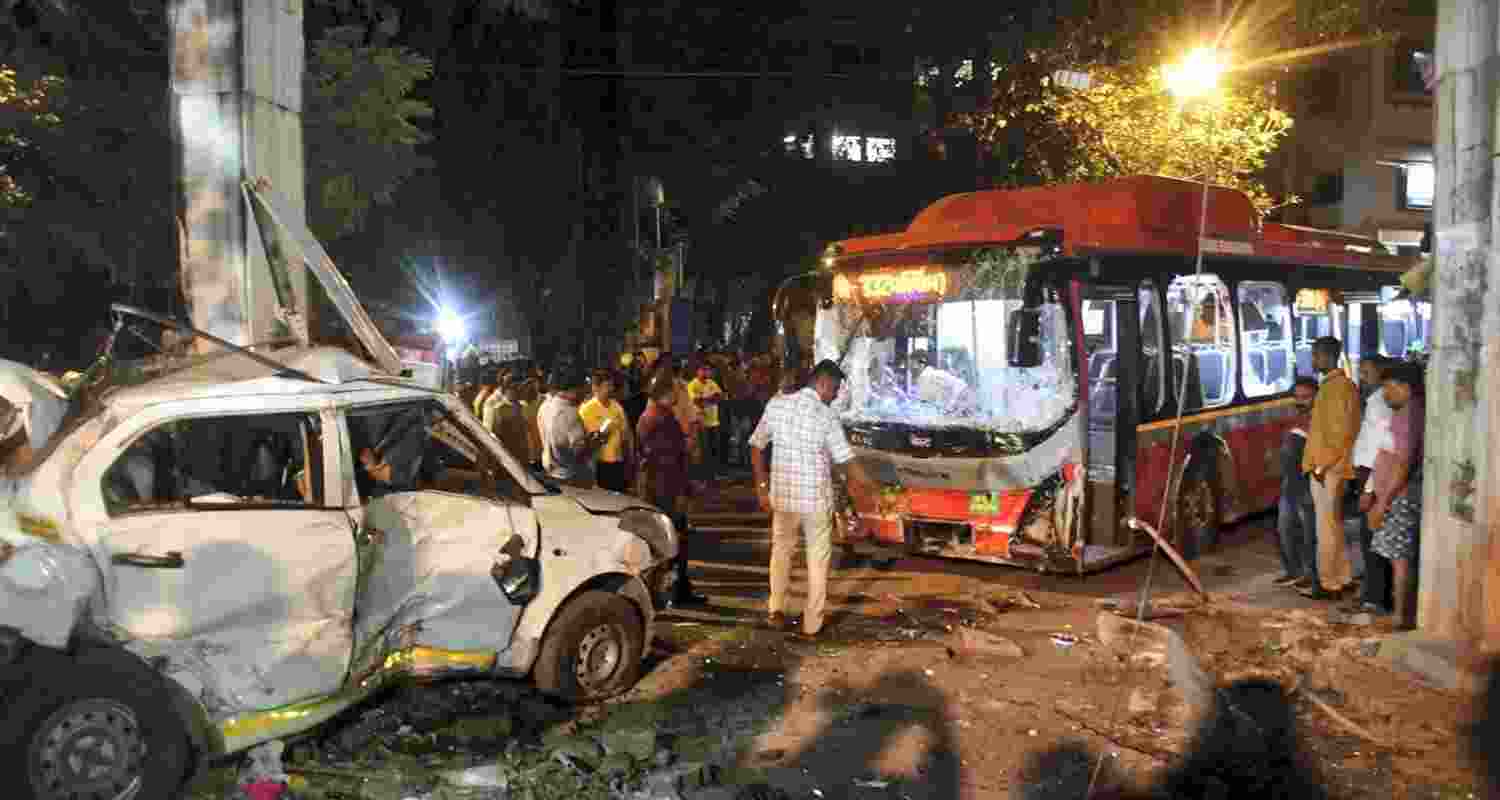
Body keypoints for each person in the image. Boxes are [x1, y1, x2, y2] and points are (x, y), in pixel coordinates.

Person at [749, 359, 874, 639]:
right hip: (815, 501)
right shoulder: (826, 416)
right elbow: (846, 461)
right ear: (823, 383)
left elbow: (756, 445)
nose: (835, 396)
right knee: (817, 560)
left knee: (782, 551)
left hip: (784, 497)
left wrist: (761, 485)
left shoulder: (777, 405)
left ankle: (776, 609)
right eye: (835, 389)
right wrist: (870, 487)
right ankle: (811, 625)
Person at [636, 373, 706, 607]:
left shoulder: (657, 416)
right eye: (674, 390)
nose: (677, 394)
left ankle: (676, 590)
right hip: (665, 489)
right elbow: (668, 460)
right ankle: (670, 593)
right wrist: (684, 488)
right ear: (664, 393)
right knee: (670, 542)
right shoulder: (658, 419)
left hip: (662, 487)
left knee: (670, 541)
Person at [1300, 337, 1362, 600]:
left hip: (1328, 468)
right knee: (1333, 526)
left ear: (1326, 357)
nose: (1313, 360)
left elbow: (1338, 434)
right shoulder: (1342, 386)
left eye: (1315, 355)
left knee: (1325, 528)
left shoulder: (1335, 388)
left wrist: (1320, 467)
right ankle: (1343, 577)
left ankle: (1329, 584)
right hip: (1335, 466)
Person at [1368, 363, 1425, 628]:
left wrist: (1383, 502)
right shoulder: (1409, 411)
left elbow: (1403, 463)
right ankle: (1402, 612)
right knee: (1398, 557)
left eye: (1389, 388)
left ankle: (1401, 615)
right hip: (1397, 494)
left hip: (1400, 496)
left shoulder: (1408, 415)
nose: (1386, 394)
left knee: (1400, 558)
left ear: (1406, 388)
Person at [1348, 356, 1395, 612]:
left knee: (1373, 537)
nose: (1362, 378)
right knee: (1372, 536)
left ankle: (1375, 598)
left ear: (1381, 373)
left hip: (1372, 475)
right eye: (1361, 372)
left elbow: (1381, 450)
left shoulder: (1381, 403)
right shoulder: (1375, 400)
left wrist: (1368, 488)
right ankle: (1373, 594)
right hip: (1368, 473)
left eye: (1367, 372)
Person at [1274, 378, 1320, 588]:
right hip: (1290, 482)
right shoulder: (1293, 416)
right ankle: (1293, 571)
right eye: (1297, 397)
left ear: (1316, 397)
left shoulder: (1320, 418)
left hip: (1308, 481)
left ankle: (1309, 573)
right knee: (1285, 527)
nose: (1300, 401)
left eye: (1306, 397)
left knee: (1308, 531)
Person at [538, 367, 607, 487]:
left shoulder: (544, 407)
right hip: (573, 478)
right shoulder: (570, 413)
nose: (586, 394)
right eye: (584, 388)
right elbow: (579, 453)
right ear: (574, 389)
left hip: (552, 474)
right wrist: (595, 443)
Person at [580, 369, 634, 493]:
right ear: (595, 388)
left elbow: (626, 433)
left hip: (618, 462)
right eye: (607, 386)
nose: (611, 389)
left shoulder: (617, 406)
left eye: (611, 385)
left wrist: (629, 456)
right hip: (599, 464)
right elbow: (586, 439)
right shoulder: (587, 409)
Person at [687, 363, 724, 478]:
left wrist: (705, 400)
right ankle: (704, 474)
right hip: (701, 422)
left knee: (714, 448)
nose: (706, 372)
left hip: (714, 421)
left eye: (708, 370)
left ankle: (713, 472)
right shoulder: (692, 384)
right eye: (703, 370)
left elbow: (720, 396)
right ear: (697, 371)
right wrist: (711, 398)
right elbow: (695, 401)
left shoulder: (711, 382)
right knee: (703, 449)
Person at [484, 378, 532, 464]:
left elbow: (527, 430)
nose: (516, 392)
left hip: (523, 453)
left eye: (517, 389)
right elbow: (495, 433)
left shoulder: (524, 406)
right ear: (506, 391)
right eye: (512, 389)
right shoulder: (499, 409)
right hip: (507, 453)